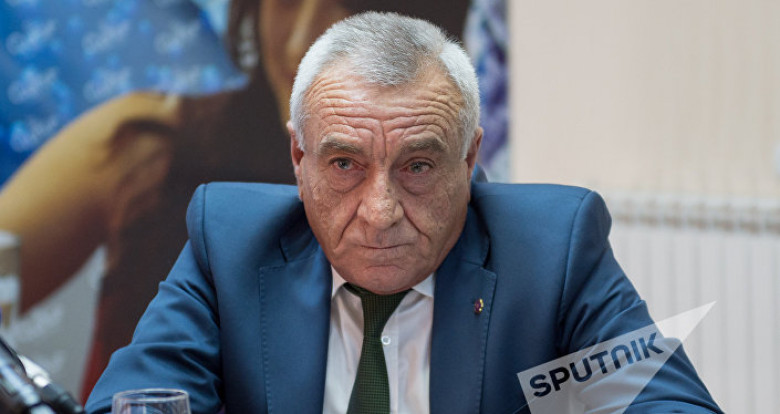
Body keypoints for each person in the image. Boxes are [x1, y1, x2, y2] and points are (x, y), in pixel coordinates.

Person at [84, 12, 721, 414]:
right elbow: (133, 402)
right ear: (298, 157)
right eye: (344, 164)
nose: (380, 211)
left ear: (469, 158)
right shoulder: (230, 241)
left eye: (418, 166)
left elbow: (669, 405)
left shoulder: (552, 247)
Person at [0, 0, 469, 399]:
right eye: (286, 3)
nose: (297, 44)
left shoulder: (509, 243)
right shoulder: (211, 218)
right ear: (297, 155)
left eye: (417, 167)